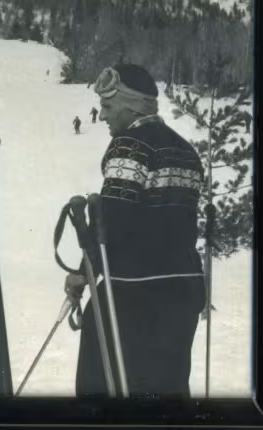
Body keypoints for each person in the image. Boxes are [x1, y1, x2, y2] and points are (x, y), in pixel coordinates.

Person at [64, 63, 205, 398]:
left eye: (110, 107)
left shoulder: (129, 144)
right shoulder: (186, 150)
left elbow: (114, 220)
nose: (104, 116)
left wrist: (83, 274)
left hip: (132, 297)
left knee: (104, 390)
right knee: (167, 395)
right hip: (182, 292)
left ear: (132, 105)